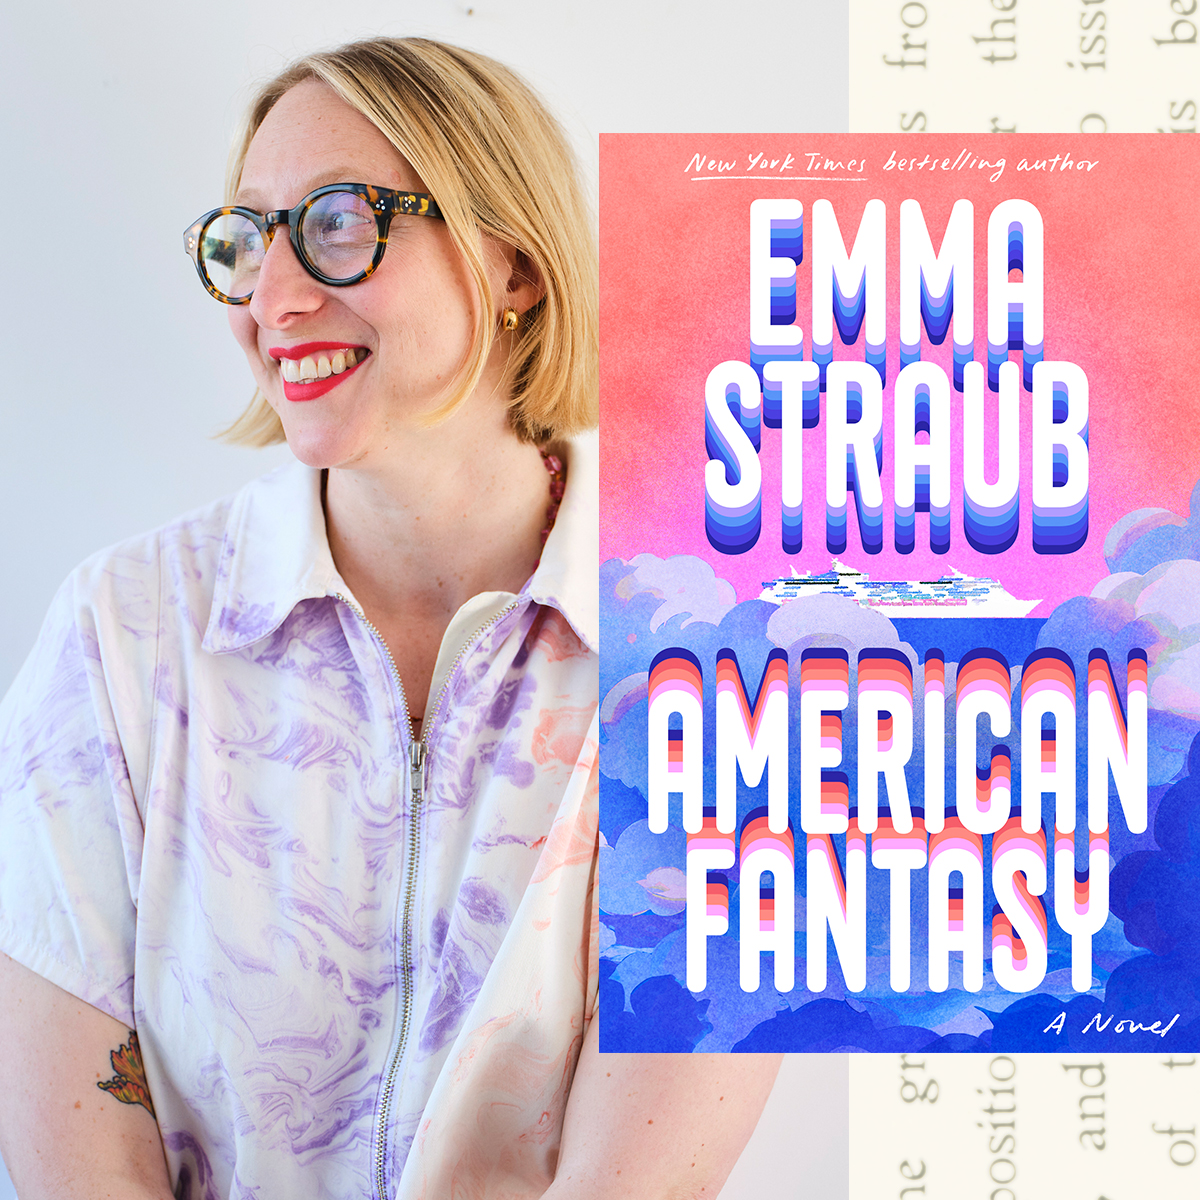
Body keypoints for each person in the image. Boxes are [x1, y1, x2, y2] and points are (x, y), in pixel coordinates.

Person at [0, 36, 779, 1200]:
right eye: (247, 238)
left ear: (512, 262)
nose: (273, 297)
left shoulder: (725, 656)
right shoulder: (123, 633)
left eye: (338, 223)